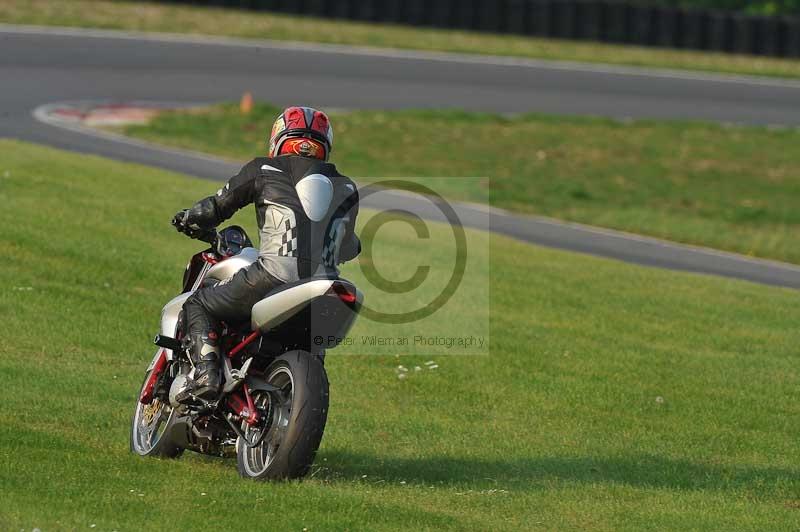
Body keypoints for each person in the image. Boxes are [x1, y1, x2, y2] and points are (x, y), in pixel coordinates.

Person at [171, 106, 361, 400]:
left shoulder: (264, 169)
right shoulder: (348, 187)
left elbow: (215, 208)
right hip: (328, 287)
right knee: (313, 343)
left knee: (198, 304)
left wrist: (190, 217)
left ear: (278, 139)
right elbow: (348, 246)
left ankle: (207, 374)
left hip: (273, 276)